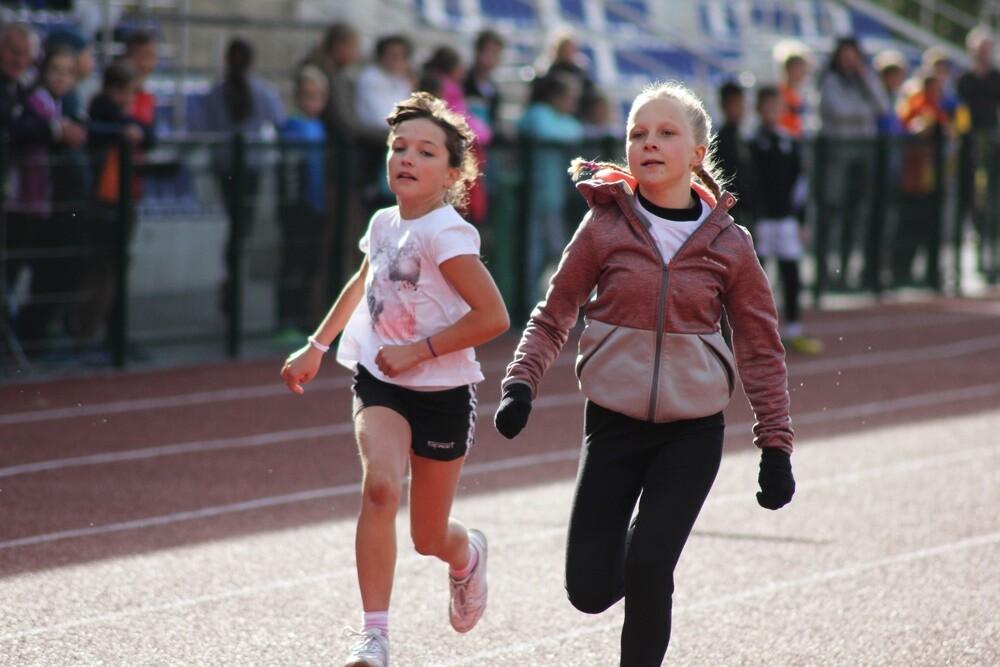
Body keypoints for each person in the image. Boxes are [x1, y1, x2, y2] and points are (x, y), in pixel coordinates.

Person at [494, 81, 795, 666]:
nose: (649, 143)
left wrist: (776, 446)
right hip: (613, 425)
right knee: (589, 591)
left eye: (665, 133)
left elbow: (761, 348)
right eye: (637, 134)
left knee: (651, 567)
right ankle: (634, 558)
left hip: (692, 433)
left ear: (697, 154)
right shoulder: (603, 228)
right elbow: (554, 313)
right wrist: (520, 383)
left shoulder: (730, 245)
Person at [279, 92, 509, 667]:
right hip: (379, 381)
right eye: (399, 147)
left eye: (426, 152)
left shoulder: (446, 233)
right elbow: (363, 280)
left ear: (453, 174)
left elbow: (494, 317)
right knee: (381, 487)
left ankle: (467, 555)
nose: (407, 158)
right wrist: (316, 347)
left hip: (442, 392)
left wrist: (419, 352)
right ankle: (374, 636)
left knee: (428, 538)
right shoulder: (384, 221)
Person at [193, 37, 285, 315]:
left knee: (237, 225)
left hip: (226, 167)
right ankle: (233, 279)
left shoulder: (217, 92)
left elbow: (202, 127)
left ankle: (232, 279)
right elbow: (279, 121)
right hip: (249, 167)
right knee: (241, 226)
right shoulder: (262, 92)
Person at [7, 44, 87, 346]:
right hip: (24, 201)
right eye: (55, 70)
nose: (61, 77)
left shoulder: (67, 106)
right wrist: (56, 131)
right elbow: (23, 130)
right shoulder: (33, 102)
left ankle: (31, 335)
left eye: (68, 72)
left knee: (56, 268)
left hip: (48, 201)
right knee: (15, 267)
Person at [79, 60, 153, 345]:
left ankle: (105, 334)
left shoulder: (122, 117)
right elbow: (112, 124)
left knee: (112, 269)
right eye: (125, 92)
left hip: (121, 197)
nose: (130, 99)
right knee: (101, 269)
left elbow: (148, 134)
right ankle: (88, 332)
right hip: (104, 200)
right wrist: (127, 128)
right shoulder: (102, 111)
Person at [750, 85, 822, 353]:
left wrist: (801, 220)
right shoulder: (751, 142)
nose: (771, 112)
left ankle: (793, 328)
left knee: (791, 273)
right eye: (767, 107)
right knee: (758, 279)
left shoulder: (790, 142)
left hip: (786, 220)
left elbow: (800, 184)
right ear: (758, 109)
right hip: (762, 221)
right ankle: (756, 333)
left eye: (775, 107)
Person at [817, 36, 890, 288]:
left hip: (863, 157)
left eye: (853, 56)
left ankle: (847, 271)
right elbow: (837, 111)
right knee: (832, 212)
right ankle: (825, 272)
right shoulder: (830, 81)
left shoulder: (864, 81)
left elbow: (882, 106)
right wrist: (864, 111)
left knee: (856, 214)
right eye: (845, 56)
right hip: (837, 157)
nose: (849, 61)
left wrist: (866, 77)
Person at [516, 72, 583, 302]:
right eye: (570, 98)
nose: (573, 103)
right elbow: (546, 131)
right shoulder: (538, 114)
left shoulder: (562, 119)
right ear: (555, 97)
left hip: (554, 199)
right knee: (532, 253)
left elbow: (577, 131)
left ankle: (544, 301)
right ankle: (526, 303)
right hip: (532, 198)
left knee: (556, 250)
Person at [276, 64, 329, 337]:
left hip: (317, 205)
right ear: (297, 96)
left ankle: (304, 318)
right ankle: (286, 322)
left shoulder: (318, 125)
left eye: (318, 96)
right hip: (298, 207)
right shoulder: (292, 126)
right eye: (308, 95)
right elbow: (289, 173)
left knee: (309, 264)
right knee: (292, 262)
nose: (313, 102)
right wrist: (294, 205)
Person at [713, 80, 757, 230]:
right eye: (734, 105)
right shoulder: (720, 140)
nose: (739, 110)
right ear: (724, 106)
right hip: (729, 212)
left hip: (747, 212)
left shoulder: (743, 138)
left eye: (741, 104)